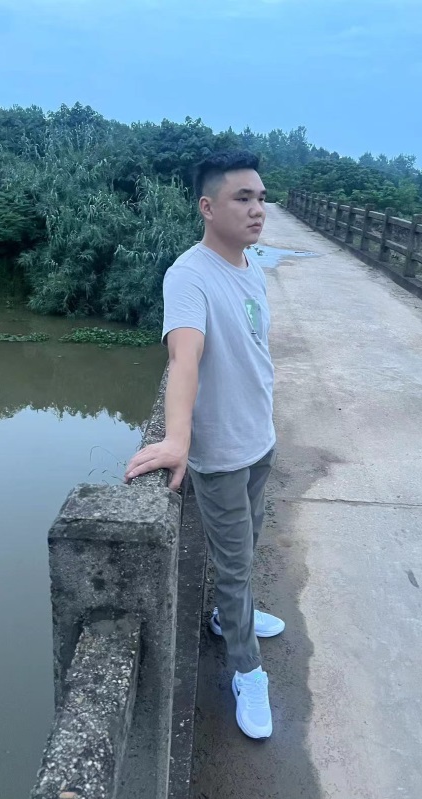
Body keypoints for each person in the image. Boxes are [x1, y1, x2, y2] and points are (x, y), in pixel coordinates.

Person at [125, 150, 284, 739]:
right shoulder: (188, 275)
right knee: (237, 567)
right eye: (243, 198)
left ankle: (227, 618)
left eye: (261, 197)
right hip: (220, 455)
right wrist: (178, 438)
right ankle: (247, 670)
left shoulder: (250, 265)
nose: (257, 209)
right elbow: (184, 356)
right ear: (208, 207)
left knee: (249, 543)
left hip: (260, 440)